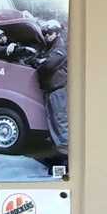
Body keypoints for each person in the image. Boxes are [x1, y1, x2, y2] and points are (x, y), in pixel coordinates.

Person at [36, 19, 69, 163]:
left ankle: (66, 157)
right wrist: (41, 62)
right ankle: (59, 153)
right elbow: (43, 62)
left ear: (56, 32)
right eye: (45, 33)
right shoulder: (51, 48)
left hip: (57, 91)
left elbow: (48, 66)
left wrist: (40, 64)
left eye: (49, 32)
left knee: (60, 122)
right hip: (51, 90)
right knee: (52, 121)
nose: (46, 35)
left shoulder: (59, 48)